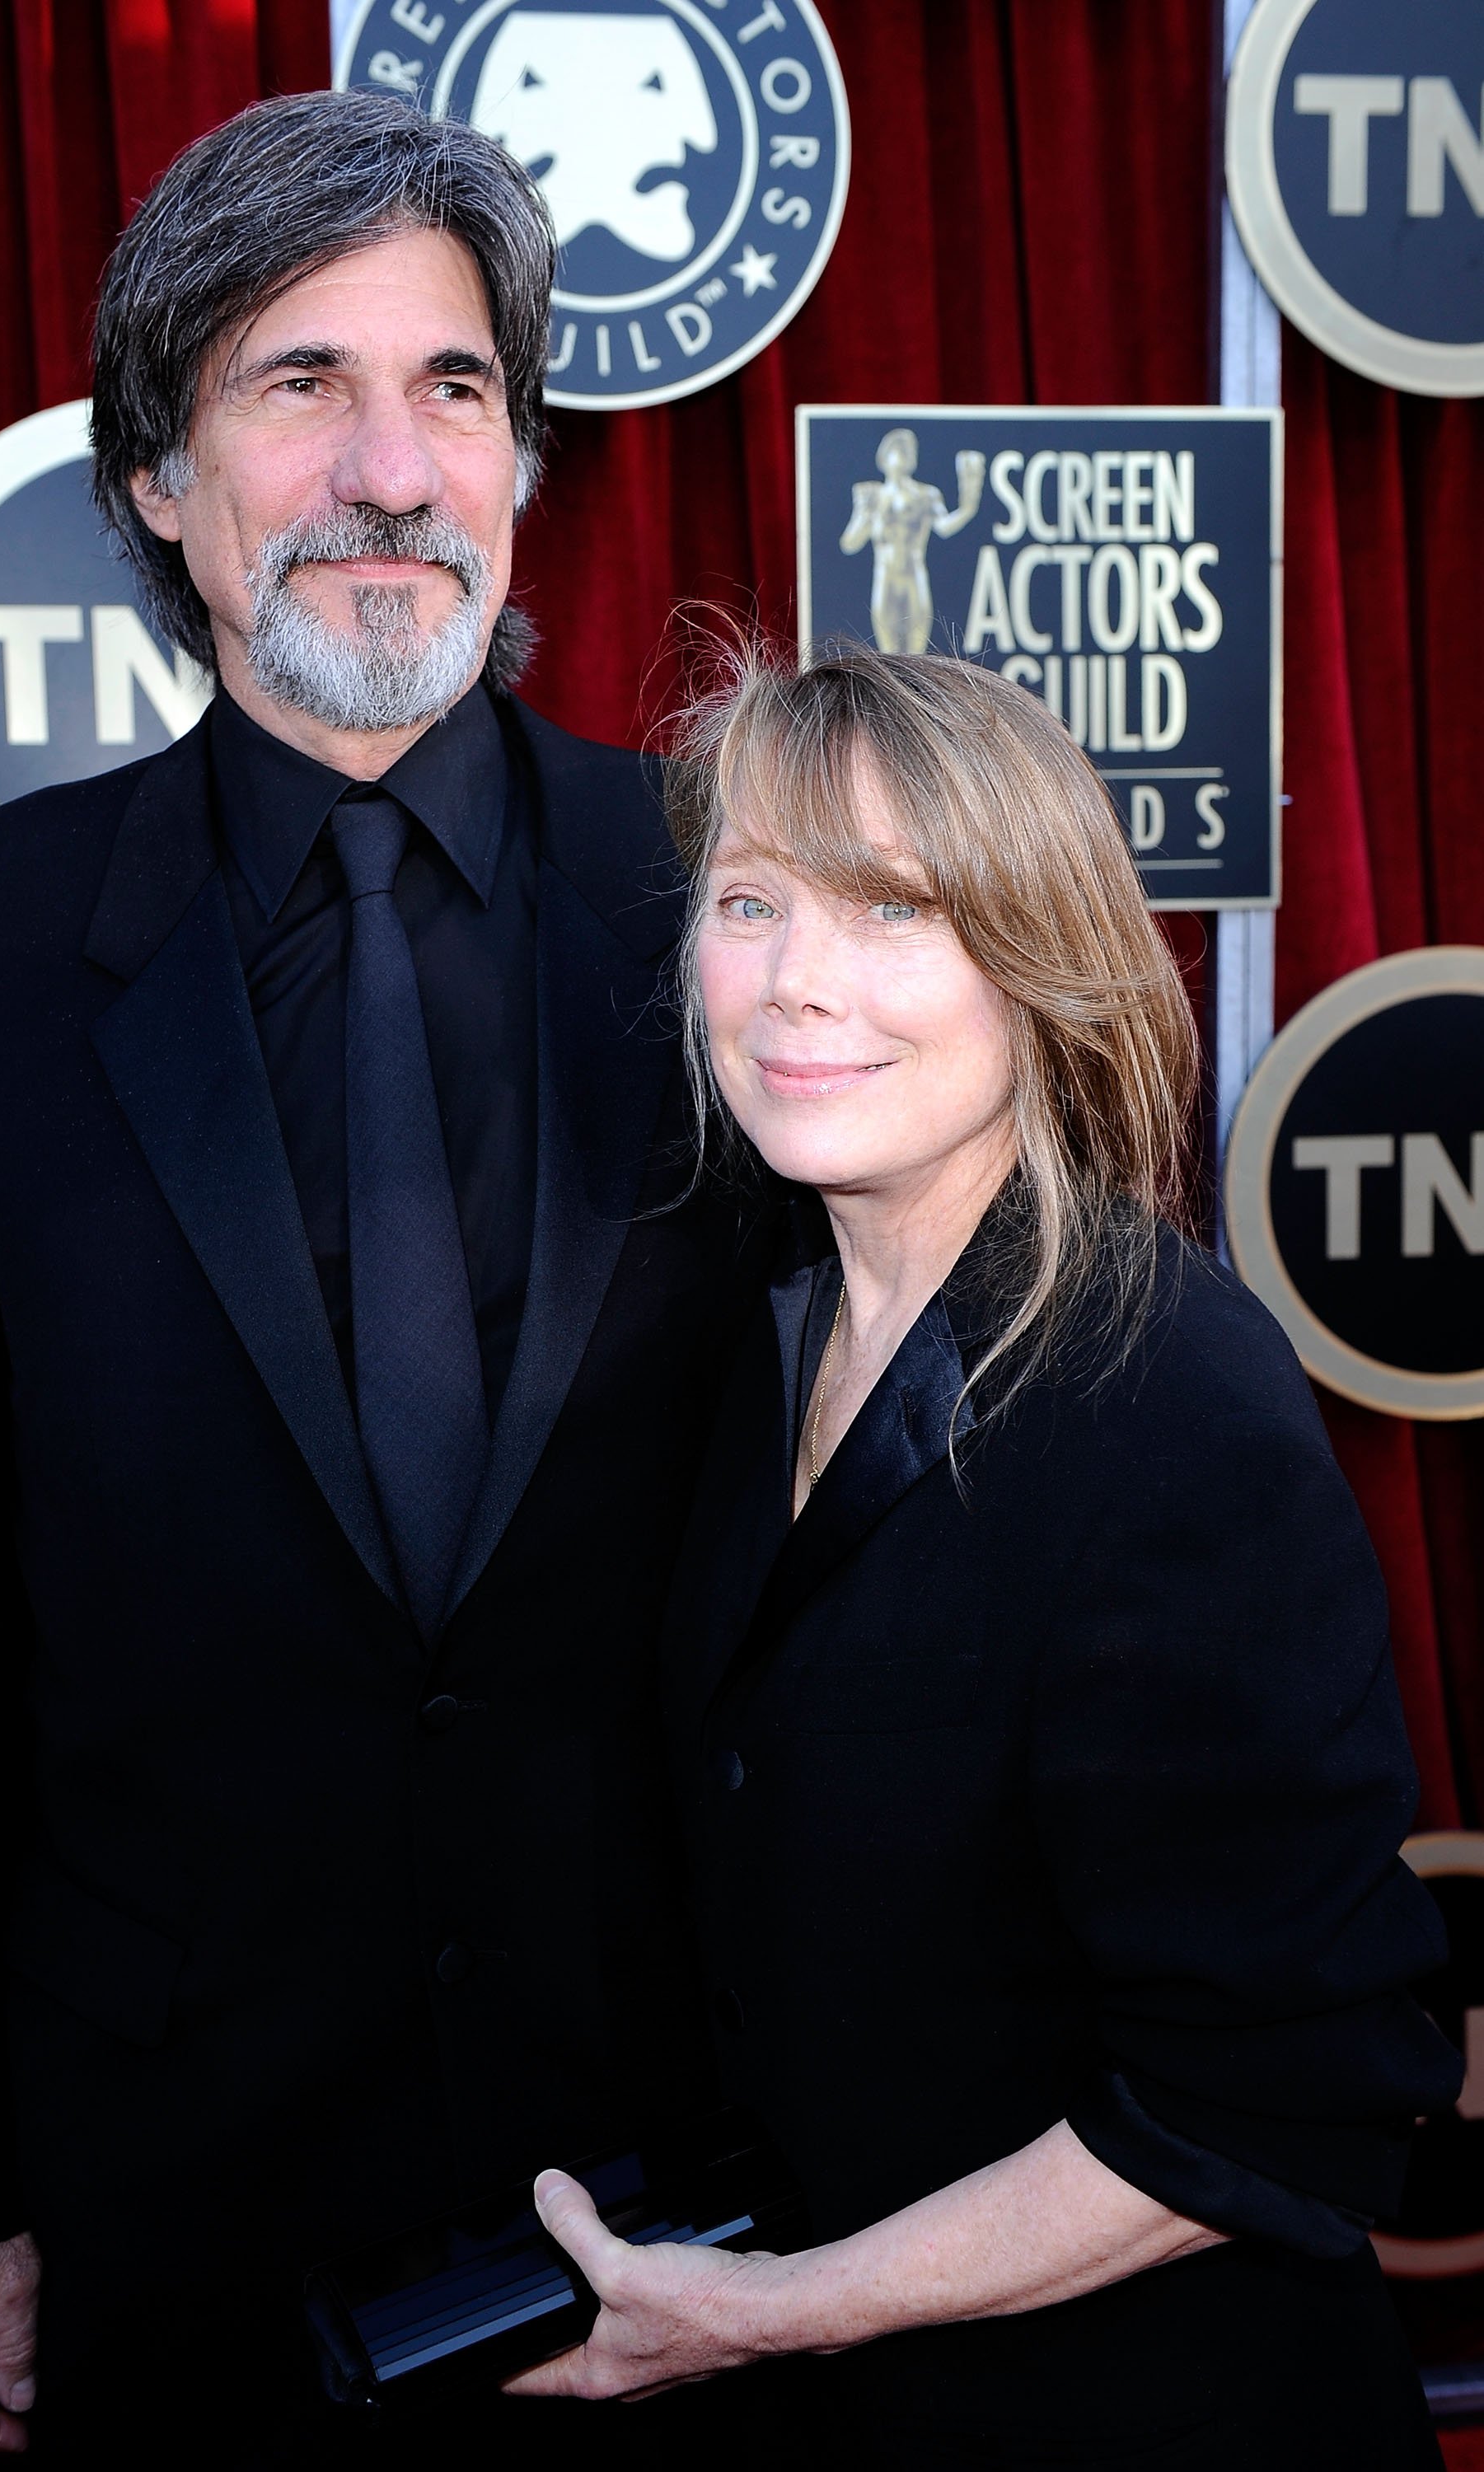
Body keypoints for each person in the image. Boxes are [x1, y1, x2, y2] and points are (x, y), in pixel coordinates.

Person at [0, 91, 764, 2465]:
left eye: (450, 389)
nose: (386, 464)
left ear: (523, 463)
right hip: (168, 2195)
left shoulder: (746, 910)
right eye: (294, 384)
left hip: (711, 2162)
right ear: (152, 477)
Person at [507, 645, 1460, 2468]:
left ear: (1037, 958)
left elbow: (1267, 2105)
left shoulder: (1168, 1399)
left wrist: (783, 2308)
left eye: (892, 911)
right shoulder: (752, 1334)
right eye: (747, 902)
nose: (795, 984)